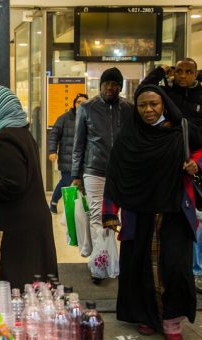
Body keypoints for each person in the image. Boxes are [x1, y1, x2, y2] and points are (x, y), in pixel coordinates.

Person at [102, 84, 202, 340]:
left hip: (174, 211)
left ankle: (172, 320)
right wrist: (109, 212)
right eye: (142, 105)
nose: (148, 110)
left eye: (154, 104)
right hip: (139, 214)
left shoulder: (180, 129)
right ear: (135, 108)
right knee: (140, 268)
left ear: (163, 105)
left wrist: (196, 164)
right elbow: (115, 176)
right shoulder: (128, 137)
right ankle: (146, 316)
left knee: (175, 267)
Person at [142, 59, 202, 294]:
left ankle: (196, 271)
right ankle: (171, 270)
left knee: (199, 220)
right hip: (169, 167)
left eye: (188, 72)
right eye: (178, 71)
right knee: (169, 220)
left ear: (196, 73)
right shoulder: (166, 94)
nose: (183, 76)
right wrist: (159, 71)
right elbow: (144, 91)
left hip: (199, 167)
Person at [0, 85, 57, 291]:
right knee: (33, 286)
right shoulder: (22, 133)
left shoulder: (4, 137)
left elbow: (11, 184)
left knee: (17, 287)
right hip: (28, 224)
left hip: (17, 228)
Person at [71, 67, 133, 284]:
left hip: (123, 171)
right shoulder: (87, 108)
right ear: (101, 85)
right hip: (94, 170)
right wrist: (76, 174)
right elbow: (78, 144)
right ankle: (100, 263)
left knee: (119, 218)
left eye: (115, 84)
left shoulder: (129, 109)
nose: (111, 87)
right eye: (107, 83)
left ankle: (111, 260)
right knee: (98, 218)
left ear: (120, 87)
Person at [48, 93, 89, 214]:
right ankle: (54, 202)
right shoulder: (64, 118)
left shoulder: (90, 118)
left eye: (84, 102)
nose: (81, 104)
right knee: (66, 182)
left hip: (85, 159)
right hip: (68, 158)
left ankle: (80, 208)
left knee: (84, 183)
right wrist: (52, 151)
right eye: (78, 102)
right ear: (74, 104)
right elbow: (54, 135)